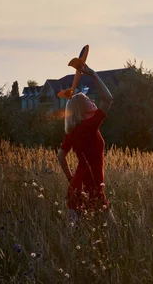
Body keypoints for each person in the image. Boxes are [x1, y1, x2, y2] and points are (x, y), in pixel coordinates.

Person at [57, 63, 114, 224]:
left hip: (77, 186)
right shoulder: (89, 127)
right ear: (82, 109)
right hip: (92, 187)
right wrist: (93, 74)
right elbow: (108, 99)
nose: (93, 100)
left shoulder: (72, 131)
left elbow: (61, 156)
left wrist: (71, 179)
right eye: (89, 100)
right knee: (113, 230)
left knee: (71, 234)